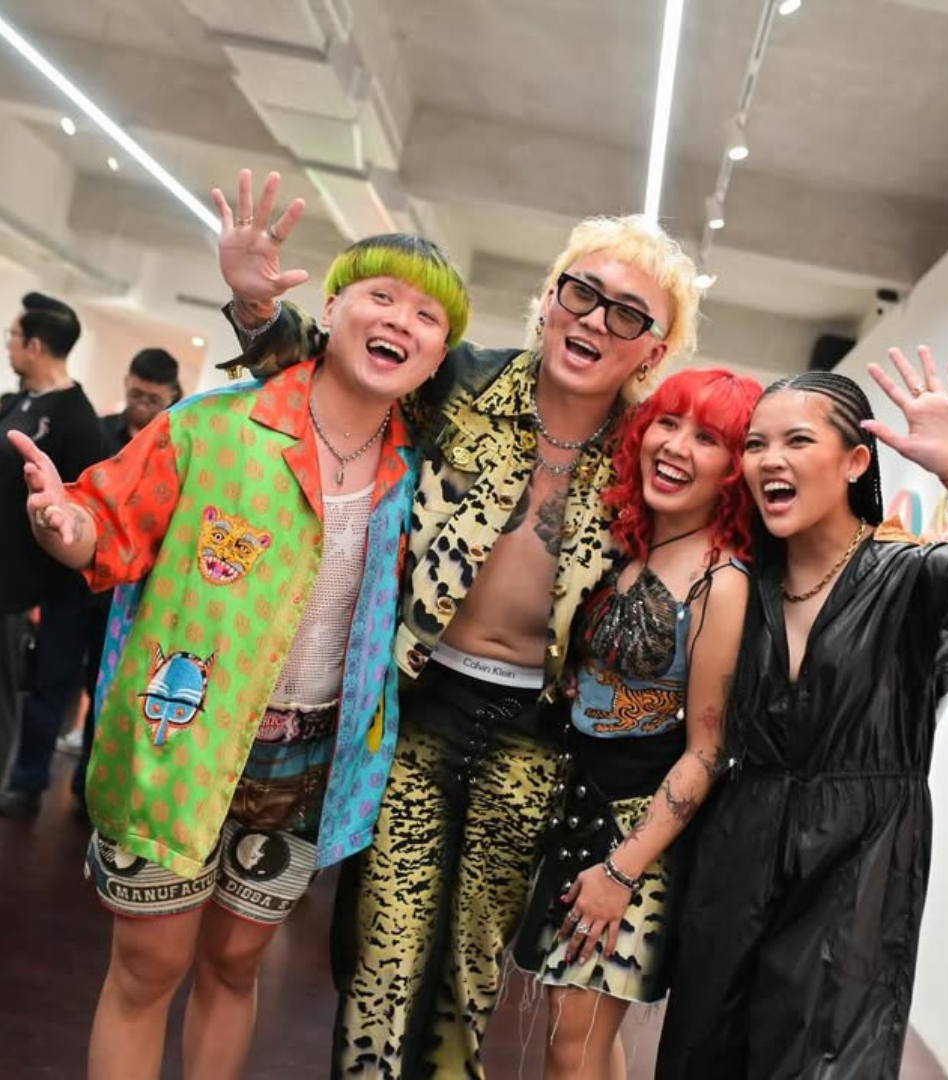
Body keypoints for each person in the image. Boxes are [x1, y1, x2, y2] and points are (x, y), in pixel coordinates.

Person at [219, 169, 701, 1077]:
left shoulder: (650, 451)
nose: (595, 321)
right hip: (420, 707)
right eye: (582, 294)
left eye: (627, 314)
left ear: (653, 349)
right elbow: (327, 374)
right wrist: (254, 309)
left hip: (538, 736)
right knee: (382, 958)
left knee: (468, 975)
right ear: (550, 300)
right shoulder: (460, 381)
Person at [8, 220, 470, 1080]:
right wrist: (62, 525)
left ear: (440, 354)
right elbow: (103, 523)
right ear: (331, 309)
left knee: (234, 965)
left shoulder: (423, 475)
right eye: (381, 297)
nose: (399, 321)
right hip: (176, 739)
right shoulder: (213, 425)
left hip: (306, 762)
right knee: (148, 967)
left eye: (426, 316)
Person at [656, 348, 948, 1079]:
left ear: (854, 462)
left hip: (859, 867)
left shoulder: (908, 577)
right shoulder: (741, 584)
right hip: (737, 854)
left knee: (827, 1060)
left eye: (797, 440)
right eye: (756, 444)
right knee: (704, 1054)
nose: (770, 460)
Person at [512, 367, 760, 1079]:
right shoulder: (623, 545)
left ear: (734, 469)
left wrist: (623, 869)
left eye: (707, 438)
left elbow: (707, 751)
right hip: (574, 811)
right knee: (577, 1034)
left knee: (573, 1041)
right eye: (668, 424)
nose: (676, 447)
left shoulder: (721, 581)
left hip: (638, 839)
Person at [69, 348, 184, 816]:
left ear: (171, 394)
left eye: (152, 398)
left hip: (140, 597)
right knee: (70, 684)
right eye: (136, 393)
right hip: (83, 588)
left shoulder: (181, 443)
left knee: (118, 694)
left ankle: (97, 789)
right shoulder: (100, 432)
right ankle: (73, 783)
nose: (142, 404)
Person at [0, 291, 101, 804]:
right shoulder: (14, 402)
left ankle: (12, 783)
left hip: (24, 588)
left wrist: (45, 598)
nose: (9, 345)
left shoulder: (77, 420)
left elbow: (78, 517)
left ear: (36, 346)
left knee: (12, 696)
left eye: (14, 337)